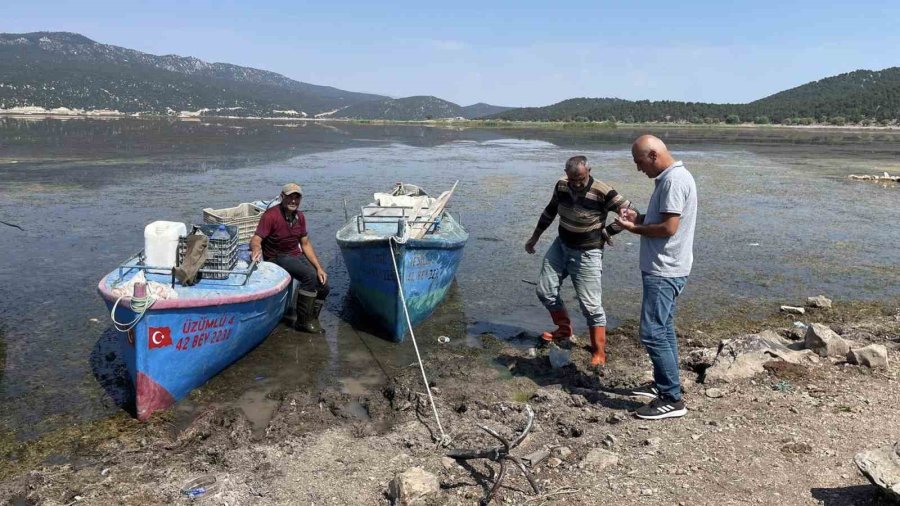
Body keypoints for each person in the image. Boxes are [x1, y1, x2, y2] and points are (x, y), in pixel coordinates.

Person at [525, 155, 636, 368]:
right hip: (561, 245)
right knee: (545, 291)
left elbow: (631, 214)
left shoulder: (603, 191)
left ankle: (599, 351)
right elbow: (550, 211)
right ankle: (564, 329)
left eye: (581, 179)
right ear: (566, 174)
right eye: (572, 179)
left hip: (587, 252)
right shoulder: (562, 185)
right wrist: (535, 237)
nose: (576, 184)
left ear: (589, 172)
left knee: (591, 306)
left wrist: (608, 232)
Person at [615, 135, 697, 420]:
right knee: (664, 328)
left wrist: (632, 229)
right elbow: (662, 221)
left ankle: (671, 398)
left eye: (639, 162)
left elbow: (668, 228)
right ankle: (665, 384)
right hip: (668, 267)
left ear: (653, 155)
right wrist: (638, 218)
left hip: (665, 269)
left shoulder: (674, 181)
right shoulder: (671, 179)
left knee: (652, 332)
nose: (639, 168)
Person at [250, 183, 330, 333]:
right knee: (309, 276)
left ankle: (312, 317)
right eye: (290, 197)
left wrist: (319, 268)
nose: (293, 201)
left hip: (295, 254)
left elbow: (305, 244)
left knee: (323, 283)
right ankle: (303, 322)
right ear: (282, 197)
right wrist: (255, 249)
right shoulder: (271, 215)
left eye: (297, 198)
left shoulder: (300, 217)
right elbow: (256, 239)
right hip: (277, 257)